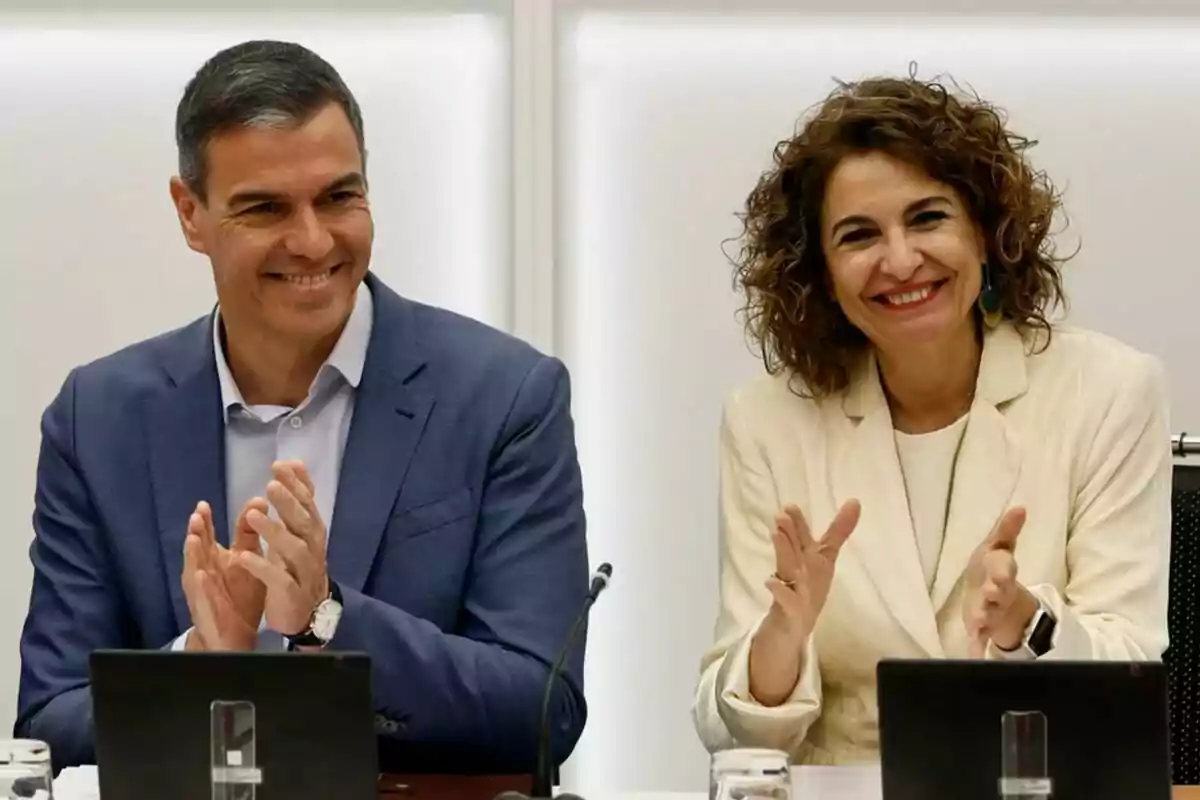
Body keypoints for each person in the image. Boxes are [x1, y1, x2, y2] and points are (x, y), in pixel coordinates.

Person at [15, 40, 590, 774]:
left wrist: (326, 620)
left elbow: (542, 708)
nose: (314, 241)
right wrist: (201, 663)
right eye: (266, 208)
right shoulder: (97, 418)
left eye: (339, 197)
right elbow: (48, 723)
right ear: (190, 214)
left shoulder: (506, 396)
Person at [692, 75, 1171, 764]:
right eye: (859, 235)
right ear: (820, 273)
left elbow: (1129, 680)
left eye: (927, 218)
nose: (900, 260)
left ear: (985, 232)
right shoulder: (767, 420)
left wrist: (1024, 626)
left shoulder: (1109, 392)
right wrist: (782, 640)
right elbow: (734, 732)